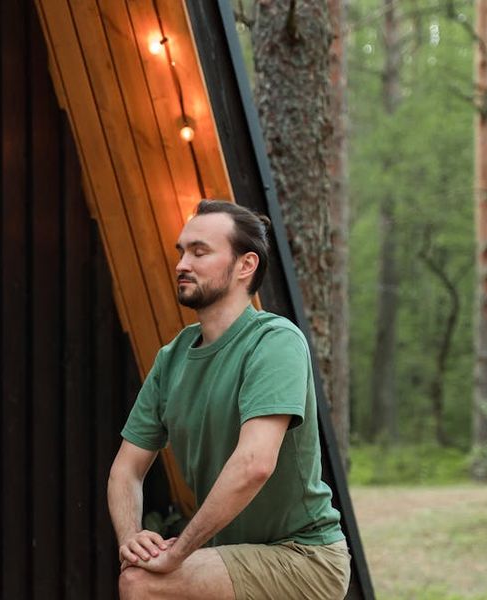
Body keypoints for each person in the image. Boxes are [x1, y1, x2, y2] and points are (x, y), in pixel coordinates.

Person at [107, 200, 351, 600]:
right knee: (140, 569)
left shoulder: (275, 342)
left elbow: (254, 464)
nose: (183, 263)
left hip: (304, 557)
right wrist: (133, 540)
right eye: (181, 251)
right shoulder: (173, 358)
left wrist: (178, 552)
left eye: (200, 251)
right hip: (232, 556)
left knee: (143, 583)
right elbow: (126, 471)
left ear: (245, 265)